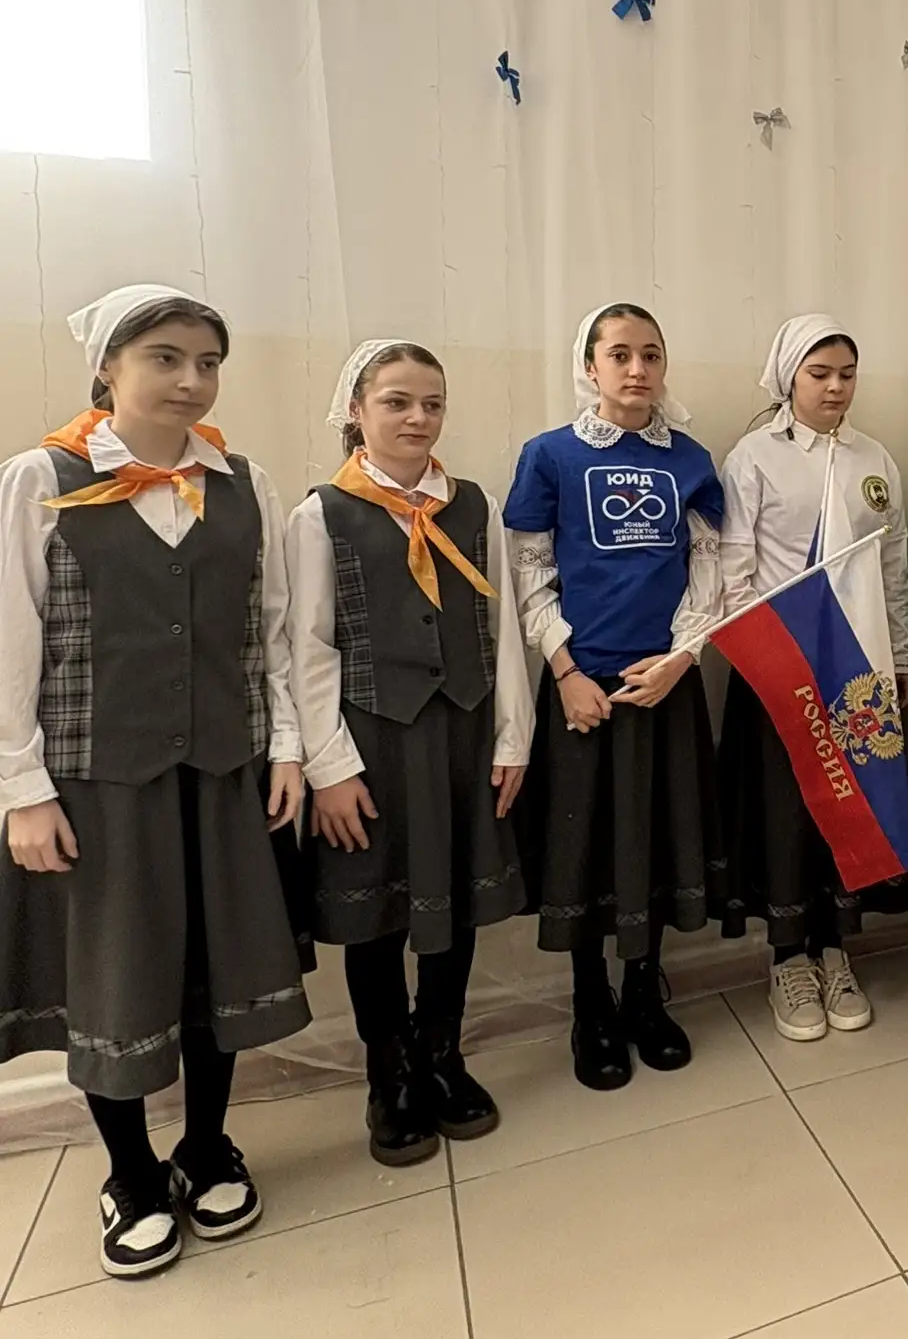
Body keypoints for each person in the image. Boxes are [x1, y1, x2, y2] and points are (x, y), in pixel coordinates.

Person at [0, 285, 312, 1279]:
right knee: (116, 974)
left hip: (224, 766)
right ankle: (130, 1170)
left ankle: (207, 1144)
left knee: (220, 967)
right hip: (100, 779)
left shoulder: (245, 483)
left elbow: (270, 629)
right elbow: (10, 646)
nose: (191, 380)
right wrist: (21, 788)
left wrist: (289, 747)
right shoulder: (38, 479)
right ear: (108, 368)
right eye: (165, 358)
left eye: (207, 362)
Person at [287, 341, 532, 1165]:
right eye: (396, 402)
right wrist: (328, 768)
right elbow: (308, 648)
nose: (417, 418)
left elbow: (501, 631)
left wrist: (512, 737)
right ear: (356, 411)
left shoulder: (473, 506)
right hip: (372, 745)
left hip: (463, 735)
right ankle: (388, 1070)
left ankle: (442, 1052)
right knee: (380, 916)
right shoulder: (321, 514)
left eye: (432, 403)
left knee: (453, 903)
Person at [503, 304, 725, 1092]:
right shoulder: (551, 456)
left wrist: (681, 658)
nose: (637, 369)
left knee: (657, 840)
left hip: (664, 686)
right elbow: (530, 571)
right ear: (590, 366)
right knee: (586, 848)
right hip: (584, 690)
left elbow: (710, 571)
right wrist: (567, 671)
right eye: (620, 354)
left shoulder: (690, 460)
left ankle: (642, 991)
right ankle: (589, 1002)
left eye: (651, 354)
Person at [718, 314, 908, 1043]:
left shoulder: (874, 459)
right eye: (819, 374)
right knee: (786, 813)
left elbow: (890, 567)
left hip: (853, 671)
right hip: (779, 672)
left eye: (847, 374)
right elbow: (733, 569)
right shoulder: (754, 457)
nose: (835, 388)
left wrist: (899, 656)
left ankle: (836, 949)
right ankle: (787, 959)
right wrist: (770, 660)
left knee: (850, 804)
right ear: (788, 377)